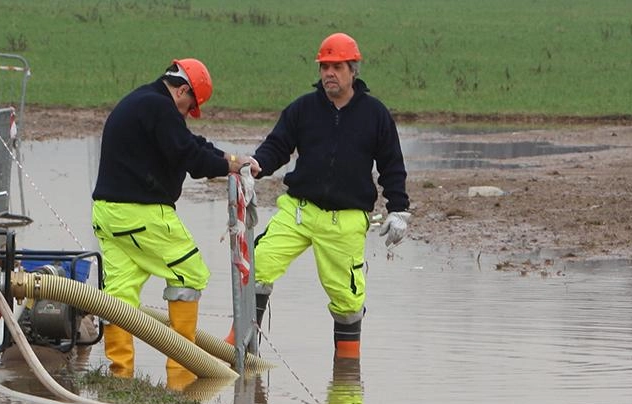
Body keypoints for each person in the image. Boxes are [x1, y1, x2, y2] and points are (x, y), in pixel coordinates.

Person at [241, 33, 410, 360]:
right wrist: (256, 165)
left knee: (347, 303)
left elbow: (392, 164)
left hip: (345, 220)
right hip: (299, 212)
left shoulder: (375, 114)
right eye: (324, 67)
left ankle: (346, 381)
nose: (329, 73)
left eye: (336, 66)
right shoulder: (303, 108)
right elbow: (278, 145)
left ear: (353, 70)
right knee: (257, 265)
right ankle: (244, 358)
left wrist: (399, 210)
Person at [92, 58, 247, 380]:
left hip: (108, 213)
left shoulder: (143, 101)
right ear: (182, 90)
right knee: (190, 274)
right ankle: (182, 374)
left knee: (120, 294)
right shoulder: (160, 108)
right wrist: (228, 167)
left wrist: (230, 158)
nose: (187, 114)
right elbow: (189, 157)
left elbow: (189, 143)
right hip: (141, 213)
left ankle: (120, 376)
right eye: (190, 106)